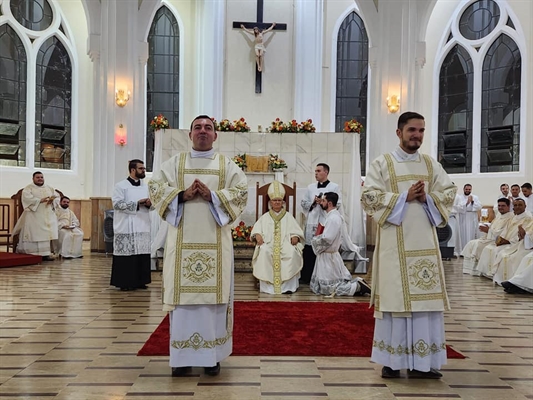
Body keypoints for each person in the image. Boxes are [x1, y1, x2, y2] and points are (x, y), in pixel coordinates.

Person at [148, 115, 248, 378]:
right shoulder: (175, 164)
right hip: (181, 247)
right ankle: (181, 359)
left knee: (212, 304)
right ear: (189, 134)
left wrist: (213, 195)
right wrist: (182, 195)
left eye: (208, 128)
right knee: (183, 305)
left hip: (216, 247)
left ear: (216, 135)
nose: (203, 131)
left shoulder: (227, 166)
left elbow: (241, 193)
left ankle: (210, 357)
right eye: (197, 128)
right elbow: (156, 188)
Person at [361, 111, 456, 379]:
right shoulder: (382, 163)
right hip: (395, 246)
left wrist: (428, 199)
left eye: (421, 130)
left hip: (424, 244)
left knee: (425, 305)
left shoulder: (430, 164)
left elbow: (448, 192)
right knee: (396, 303)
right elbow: (369, 197)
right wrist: (404, 197)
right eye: (412, 130)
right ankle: (392, 361)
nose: (417, 135)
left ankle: (423, 364)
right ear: (399, 132)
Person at [310, 192, 370, 297]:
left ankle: (357, 286)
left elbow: (328, 238)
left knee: (330, 288)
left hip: (329, 257)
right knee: (327, 287)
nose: (321, 203)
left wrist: (315, 241)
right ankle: (357, 285)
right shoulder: (333, 216)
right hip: (328, 255)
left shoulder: (333, 218)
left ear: (329, 203)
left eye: (323, 201)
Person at [251, 181, 304, 294]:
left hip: (285, 243)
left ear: (283, 202)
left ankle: (288, 287)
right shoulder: (265, 217)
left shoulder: (289, 216)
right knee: (264, 251)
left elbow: (296, 231)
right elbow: (256, 230)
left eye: (279, 200)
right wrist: (258, 235)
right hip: (268, 243)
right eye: (274, 200)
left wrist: (295, 237)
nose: (277, 202)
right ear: (270, 202)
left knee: (291, 252)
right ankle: (268, 288)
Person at [110, 159, 152, 291]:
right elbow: (117, 204)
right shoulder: (120, 186)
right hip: (126, 224)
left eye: (144, 169)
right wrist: (136, 203)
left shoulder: (146, 187)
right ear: (132, 170)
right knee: (127, 255)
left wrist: (150, 204)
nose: (143, 171)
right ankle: (125, 282)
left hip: (142, 223)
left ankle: (140, 280)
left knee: (141, 252)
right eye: (141, 169)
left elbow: (153, 203)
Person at [301, 163, 342, 283]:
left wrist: (324, 203)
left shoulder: (334, 187)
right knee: (309, 248)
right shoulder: (310, 187)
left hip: (325, 220)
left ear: (326, 172)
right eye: (315, 171)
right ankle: (307, 276)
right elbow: (303, 203)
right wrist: (314, 202)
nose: (316, 173)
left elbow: (338, 204)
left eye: (319, 171)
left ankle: (322, 276)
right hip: (312, 220)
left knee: (322, 247)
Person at [477, 198, 532, 279]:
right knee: (488, 248)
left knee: (501, 253)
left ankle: (504, 278)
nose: (517, 207)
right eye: (515, 205)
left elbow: (527, 235)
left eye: (520, 205)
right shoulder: (513, 218)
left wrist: (510, 241)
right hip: (507, 242)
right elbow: (505, 231)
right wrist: (501, 239)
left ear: (525, 206)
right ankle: (487, 273)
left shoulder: (528, 219)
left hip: (516, 244)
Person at [12, 171, 59, 261]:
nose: (40, 179)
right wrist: (39, 201)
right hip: (34, 215)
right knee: (34, 233)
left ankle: (45, 254)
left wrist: (52, 200)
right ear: (33, 179)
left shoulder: (49, 188)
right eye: (37, 177)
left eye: (41, 177)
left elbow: (57, 197)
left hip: (47, 216)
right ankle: (31, 253)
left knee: (45, 235)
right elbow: (27, 199)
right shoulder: (28, 188)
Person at [462, 198, 513, 275]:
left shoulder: (510, 217)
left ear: (508, 206)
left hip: (498, 240)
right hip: (490, 237)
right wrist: (488, 230)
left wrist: (488, 230)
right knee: (471, 243)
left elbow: (502, 232)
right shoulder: (499, 216)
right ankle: (471, 270)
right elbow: (493, 227)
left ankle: (479, 270)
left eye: (503, 206)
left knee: (479, 245)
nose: (500, 207)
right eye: (499, 206)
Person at [492, 217, 533, 285]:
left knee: (523, 258)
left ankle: (519, 283)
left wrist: (525, 235)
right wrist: (523, 235)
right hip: (524, 245)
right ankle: (516, 282)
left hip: (527, 247)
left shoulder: (527, 217)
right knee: (505, 254)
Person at [454, 184, 482, 252]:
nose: (468, 191)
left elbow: (479, 206)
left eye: (469, 189)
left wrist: (472, 202)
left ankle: (471, 251)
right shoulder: (460, 197)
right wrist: (466, 203)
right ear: (463, 189)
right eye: (466, 189)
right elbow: (458, 207)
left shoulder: (475, 197)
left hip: (472, 217)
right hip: (463, 217)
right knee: (462, 234)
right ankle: (463, 251)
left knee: (472, 234)